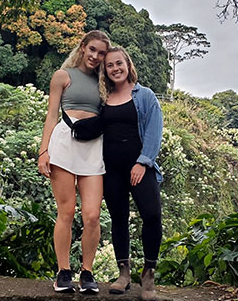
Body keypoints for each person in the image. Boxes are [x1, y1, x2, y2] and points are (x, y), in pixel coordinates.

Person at [37, 30, 110, 294]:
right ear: (82, 47)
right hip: (65, 143)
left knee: (92, 215)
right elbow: (51, 115)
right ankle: (63, 272)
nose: (96, 56)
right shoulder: (62, 76)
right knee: (66, 212)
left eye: (101, 53)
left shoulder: (105, 82)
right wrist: (44, 151)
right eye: (92, 50)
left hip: (93, 146)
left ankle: (87, 272)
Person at [100, 46, 163, 301]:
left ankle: (148, 274)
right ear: (105, 71)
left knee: (152, 215)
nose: (115, 69)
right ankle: (123, 273)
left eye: (119, 63)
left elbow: (154, 130)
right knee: (119, 218)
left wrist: (143, 162)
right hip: (110, 169)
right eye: (110, 66)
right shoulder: (103, 98)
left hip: (139, 165)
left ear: (128, 64)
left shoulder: (145, 95)